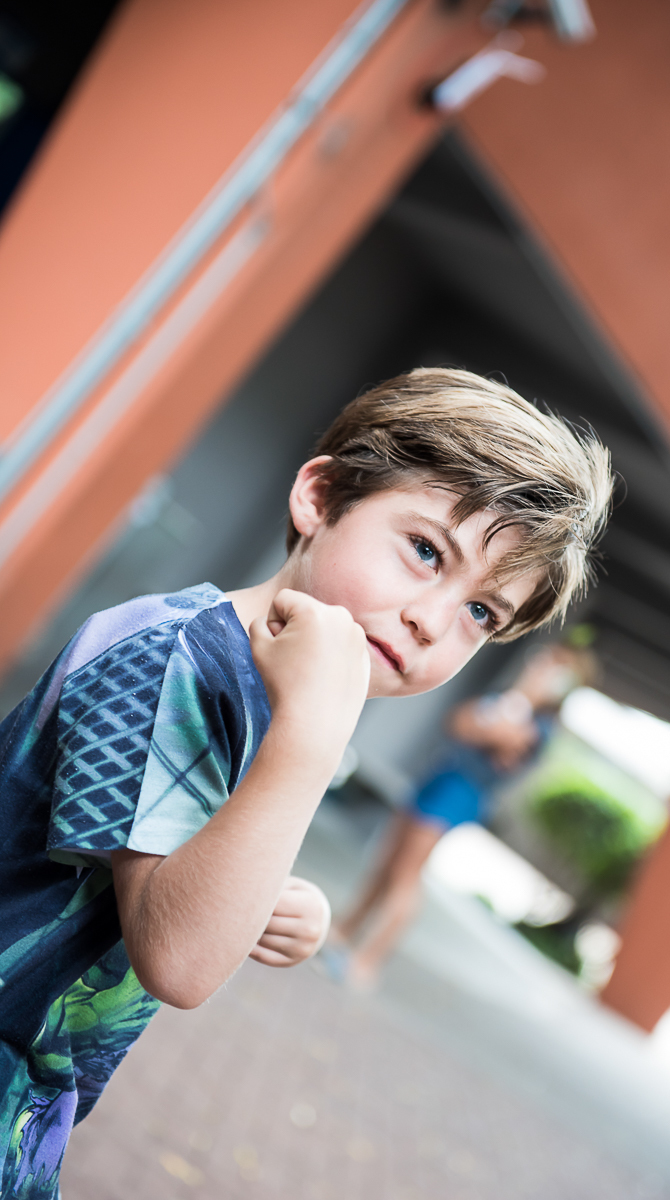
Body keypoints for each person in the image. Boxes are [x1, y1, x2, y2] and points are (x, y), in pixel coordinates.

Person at [0, 367, 612, 1197]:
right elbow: (179, 959)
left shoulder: (263, 696)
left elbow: (170, 859)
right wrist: (311, 743)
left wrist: (271, 896)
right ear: (319, 499)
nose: (431, 620)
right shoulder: (177, 657)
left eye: (481, 613)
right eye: (425, 551)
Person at [331, 642, 595, 987]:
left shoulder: (536, 725)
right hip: (440, 779)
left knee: (405, 875)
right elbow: (458, 721)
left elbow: (482, 730)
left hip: (458, 794)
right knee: (389, 860)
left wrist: (522, 696)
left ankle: (367, 961)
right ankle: (345, 931)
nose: (537, 665)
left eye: (549, 665)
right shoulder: (513, 702)